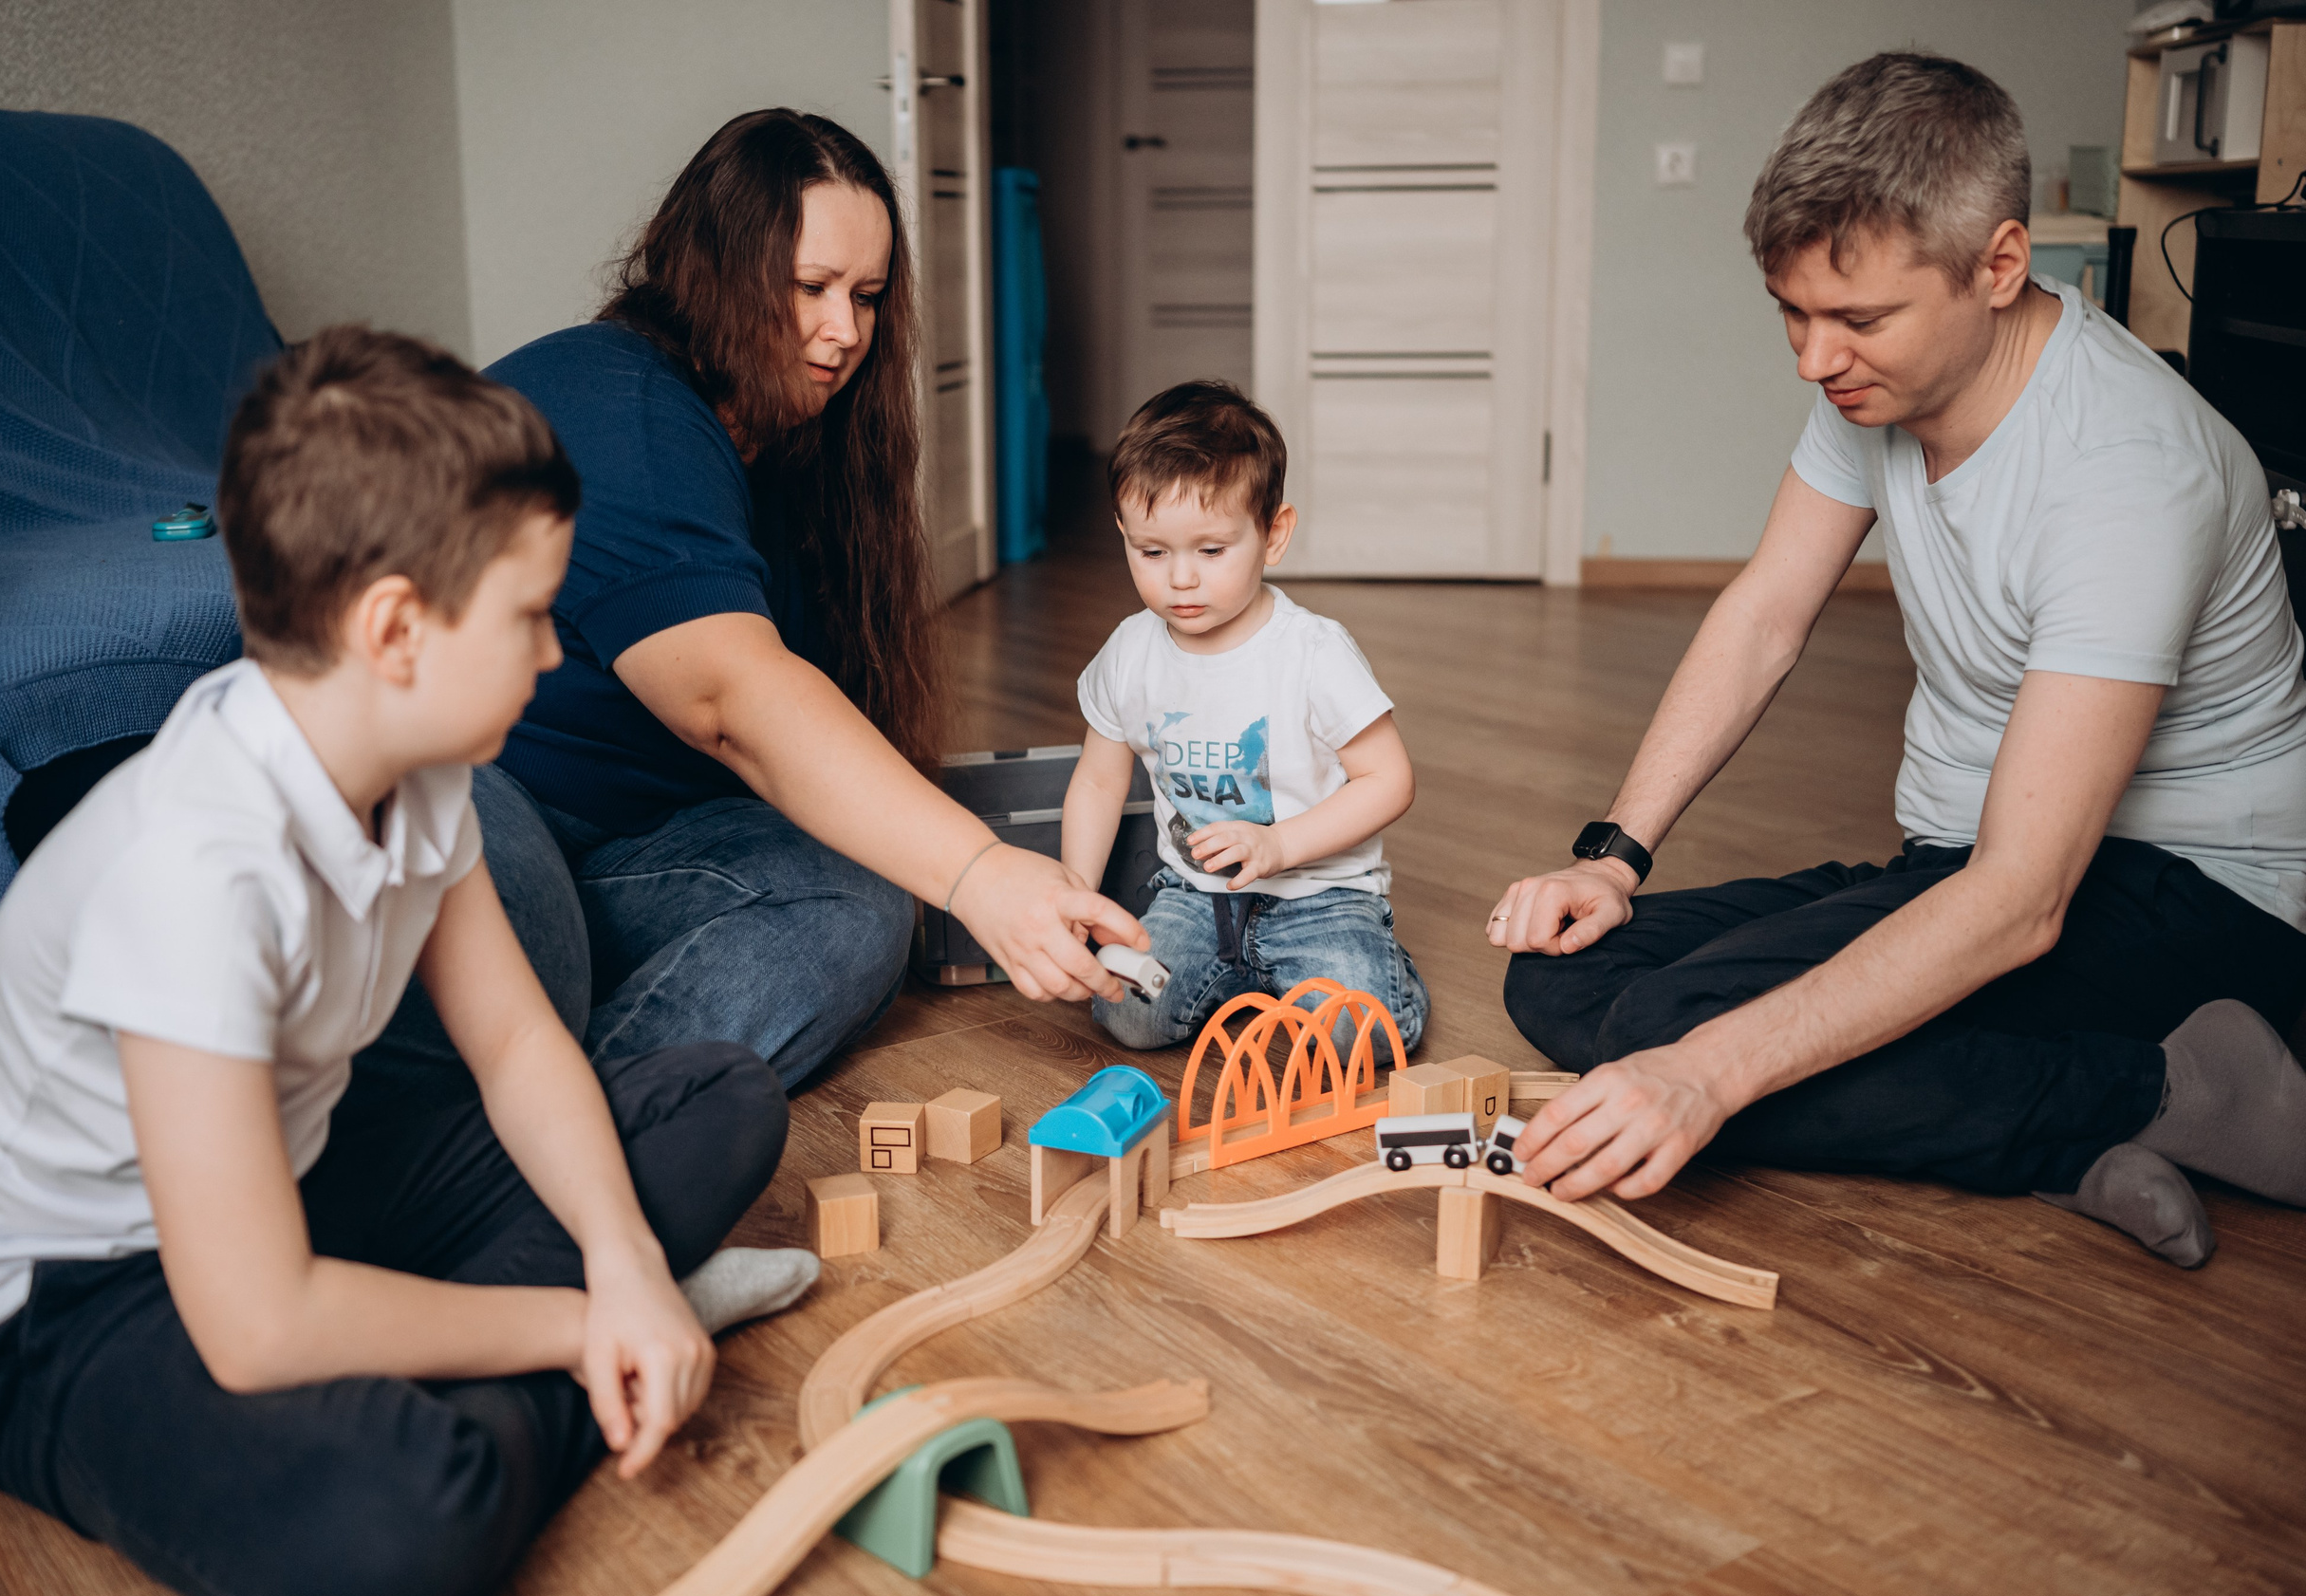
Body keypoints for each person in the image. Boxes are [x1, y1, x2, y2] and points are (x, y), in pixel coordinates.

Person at [0, 327, 816, 1596]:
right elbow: (257, 1322)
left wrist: (620, 1259)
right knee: (402, 1527)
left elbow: (517, 1043)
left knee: (717, 1096)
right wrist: (587, 1316)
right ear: (394, 628)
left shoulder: (420, 767)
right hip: (70, 1302)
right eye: (531, 615)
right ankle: (563, 1365)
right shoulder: (195, 869)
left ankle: (500, 1340)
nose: (552, 655)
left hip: (292, 1182)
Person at [1490, 53, 2306, 1269]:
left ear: (1998, 265)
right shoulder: (1874, 393)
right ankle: (2083, 1122)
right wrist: (1614, 857)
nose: (1814, 359)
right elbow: (1768, 610)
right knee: (1562, 973)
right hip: (1961, 860)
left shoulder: (2129, 473)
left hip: (2195, 900)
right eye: (1792, 312)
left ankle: (2183, 1087)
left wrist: (1705, 1076)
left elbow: (2024, 898)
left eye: (1857, 319)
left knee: (1672, 1031)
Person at [354, 109, 1144, 1115]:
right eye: (809, 288)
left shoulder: (792, 444)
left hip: (627, 840)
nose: (845, 331)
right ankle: (535, 1156)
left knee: (856, 901)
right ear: (716, 271)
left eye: (865, 296)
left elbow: (805, 731)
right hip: (466, 789)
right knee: (532, 945)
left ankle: (572, 1134)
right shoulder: (627, 410)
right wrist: (980, 873)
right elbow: (730, 699)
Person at [1062, 381, 1426, 1053]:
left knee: (1358, 1031)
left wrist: (1279, 846)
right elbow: (1098, 782)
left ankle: (1365, 972)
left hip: (1320, 895)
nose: (1180, 579)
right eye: (1152, 551)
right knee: (1125, 1014)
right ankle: (1243, 980)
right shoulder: (1129, 652)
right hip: (1196, 896)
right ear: (1123, 534)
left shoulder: (1312, 652)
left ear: (1273, 534)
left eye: (1210, 550)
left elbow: (1389, 780)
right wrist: (1076, 894)